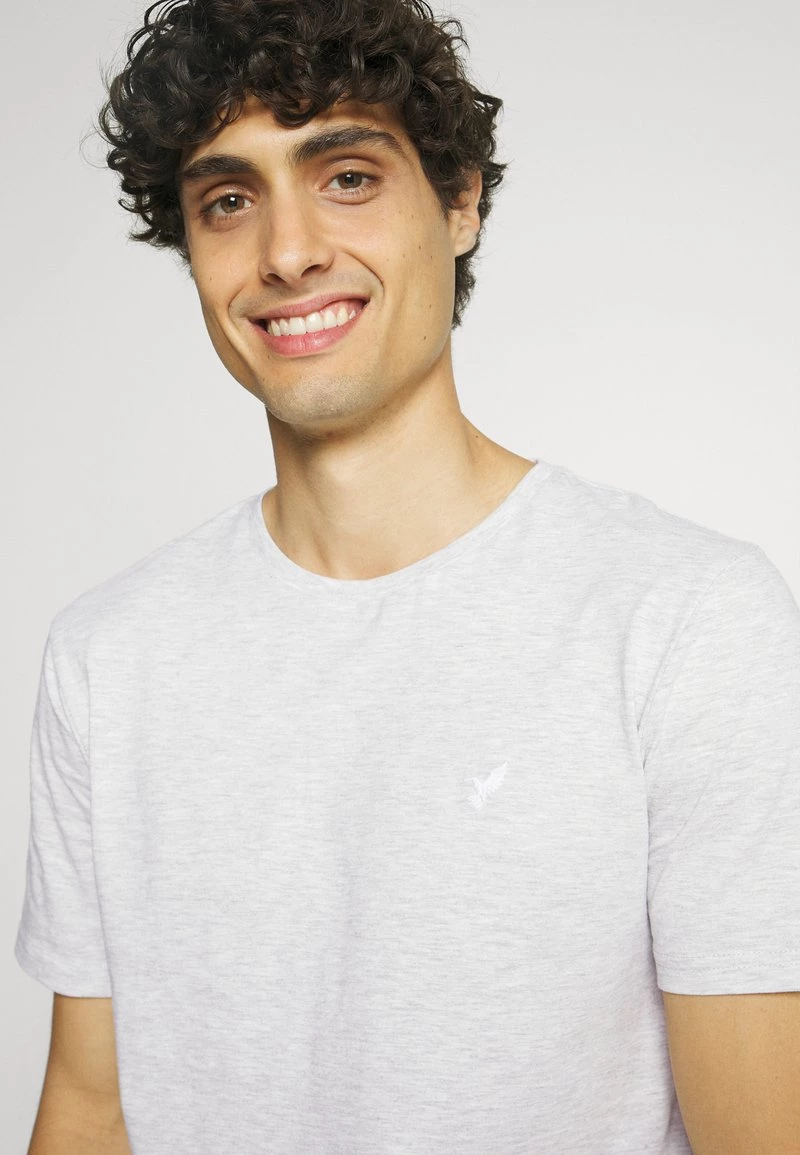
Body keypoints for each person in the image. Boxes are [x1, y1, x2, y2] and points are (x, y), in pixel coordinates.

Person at [14, 0, 800, 1152]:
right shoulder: (109, 658)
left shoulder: (684, 622)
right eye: (228, 200)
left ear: (459, 201)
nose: (286, 252)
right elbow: (92, 1105)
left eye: (346, 177)